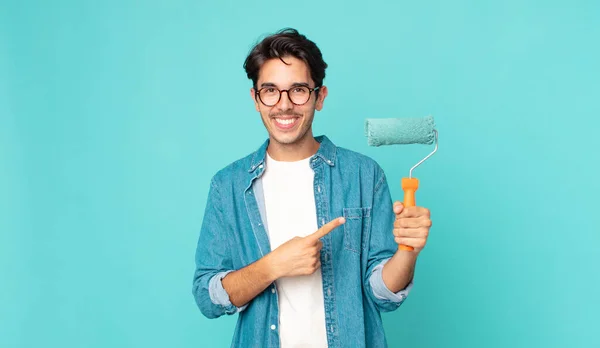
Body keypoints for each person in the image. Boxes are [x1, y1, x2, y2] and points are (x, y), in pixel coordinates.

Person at [192, 28, 432, 348]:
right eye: (270, 90)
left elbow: (383, 295)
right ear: (255, 99)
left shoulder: (363, 175)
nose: (284, 105)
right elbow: (208, 298)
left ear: (319, 97)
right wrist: (274, 265)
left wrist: (408, 251)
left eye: (299, 90)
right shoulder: (228, 185)